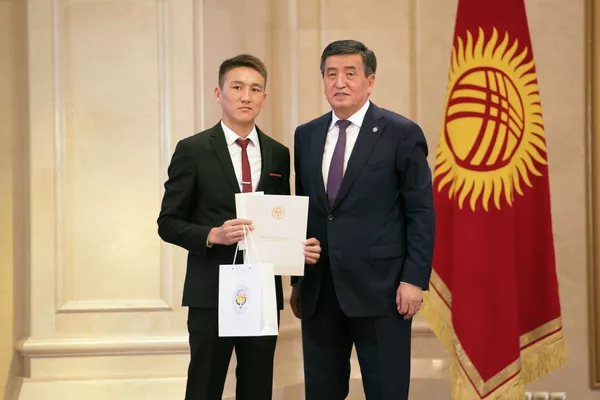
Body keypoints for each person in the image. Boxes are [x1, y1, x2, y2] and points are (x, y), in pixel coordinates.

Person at [157, 54, 321, 400]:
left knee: (257, 387)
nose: (246, 96)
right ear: (219, 93)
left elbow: (283, 219)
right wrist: (211, 235)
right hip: (210, 290)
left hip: (262, 290)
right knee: (204, 385)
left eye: (255, 89)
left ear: (264, 97)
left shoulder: (278, 153)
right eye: (237, 87)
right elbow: (167, 222)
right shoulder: (193, 150)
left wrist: (297, 255)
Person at [290, 40, 435, 400]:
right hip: (320, 291)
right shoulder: (306, 135)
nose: (339, 82)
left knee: (386, 391)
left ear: (370, 81)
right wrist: (297, 280)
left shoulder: (401, 133)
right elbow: (303, 211)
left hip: (383, 291)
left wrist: (413, 279)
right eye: (331, 74)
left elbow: (420, 212)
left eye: (349, 73)